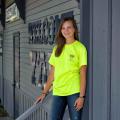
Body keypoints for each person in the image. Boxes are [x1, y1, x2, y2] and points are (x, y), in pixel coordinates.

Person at [35, 17, 87, 120]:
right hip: (58, 91)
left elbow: (83, 74)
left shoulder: (80, 48)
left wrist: (81, 97)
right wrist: (44, 92)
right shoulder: (57, 48)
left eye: (69, 27)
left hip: (74, 92)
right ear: (60, 30)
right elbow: (52, 73)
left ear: (74, 29)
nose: (66, 31)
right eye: (63, 28)